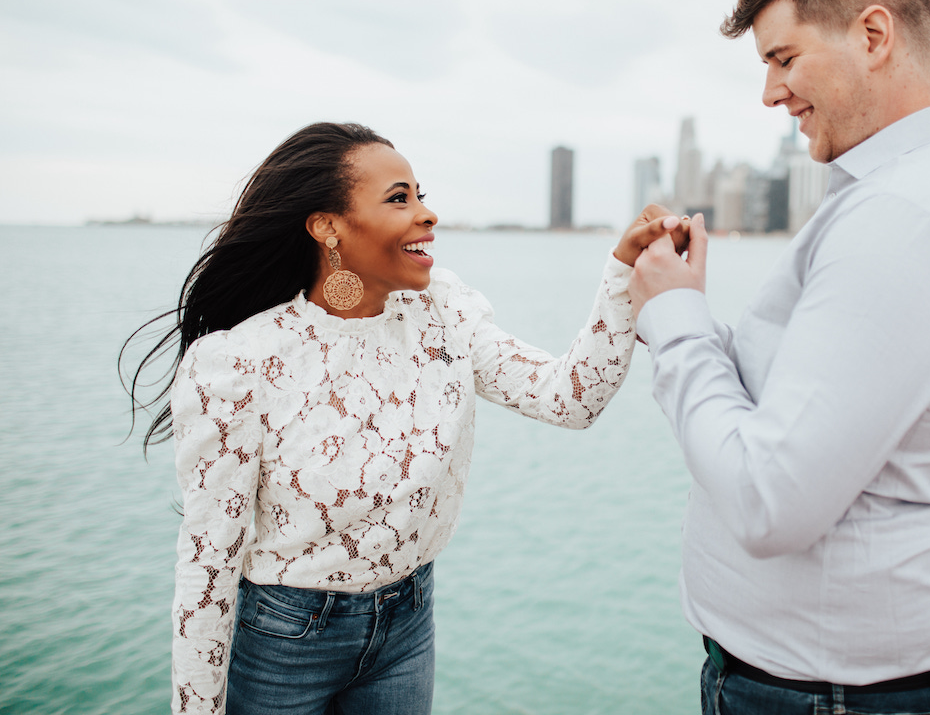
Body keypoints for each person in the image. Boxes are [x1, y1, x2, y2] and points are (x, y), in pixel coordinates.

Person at [123, 122, 685, 715]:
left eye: (421, 194)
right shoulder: (241, 363)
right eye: (399, 198)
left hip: (408, 625)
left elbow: (569, 398)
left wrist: (623, 272)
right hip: (286, 642)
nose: (427, 214)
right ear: (327, 226)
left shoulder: (442, 311)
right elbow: (209, 562)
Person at [628, 0, 930, 713]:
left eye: (783, 57)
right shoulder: (891, 196)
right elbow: (790, 409)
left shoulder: (908, 219)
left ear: (873, 33)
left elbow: (768, 501)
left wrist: (674, 322)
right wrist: (695, 314)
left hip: (827, 696)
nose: (770, 91)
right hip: (812, 686)